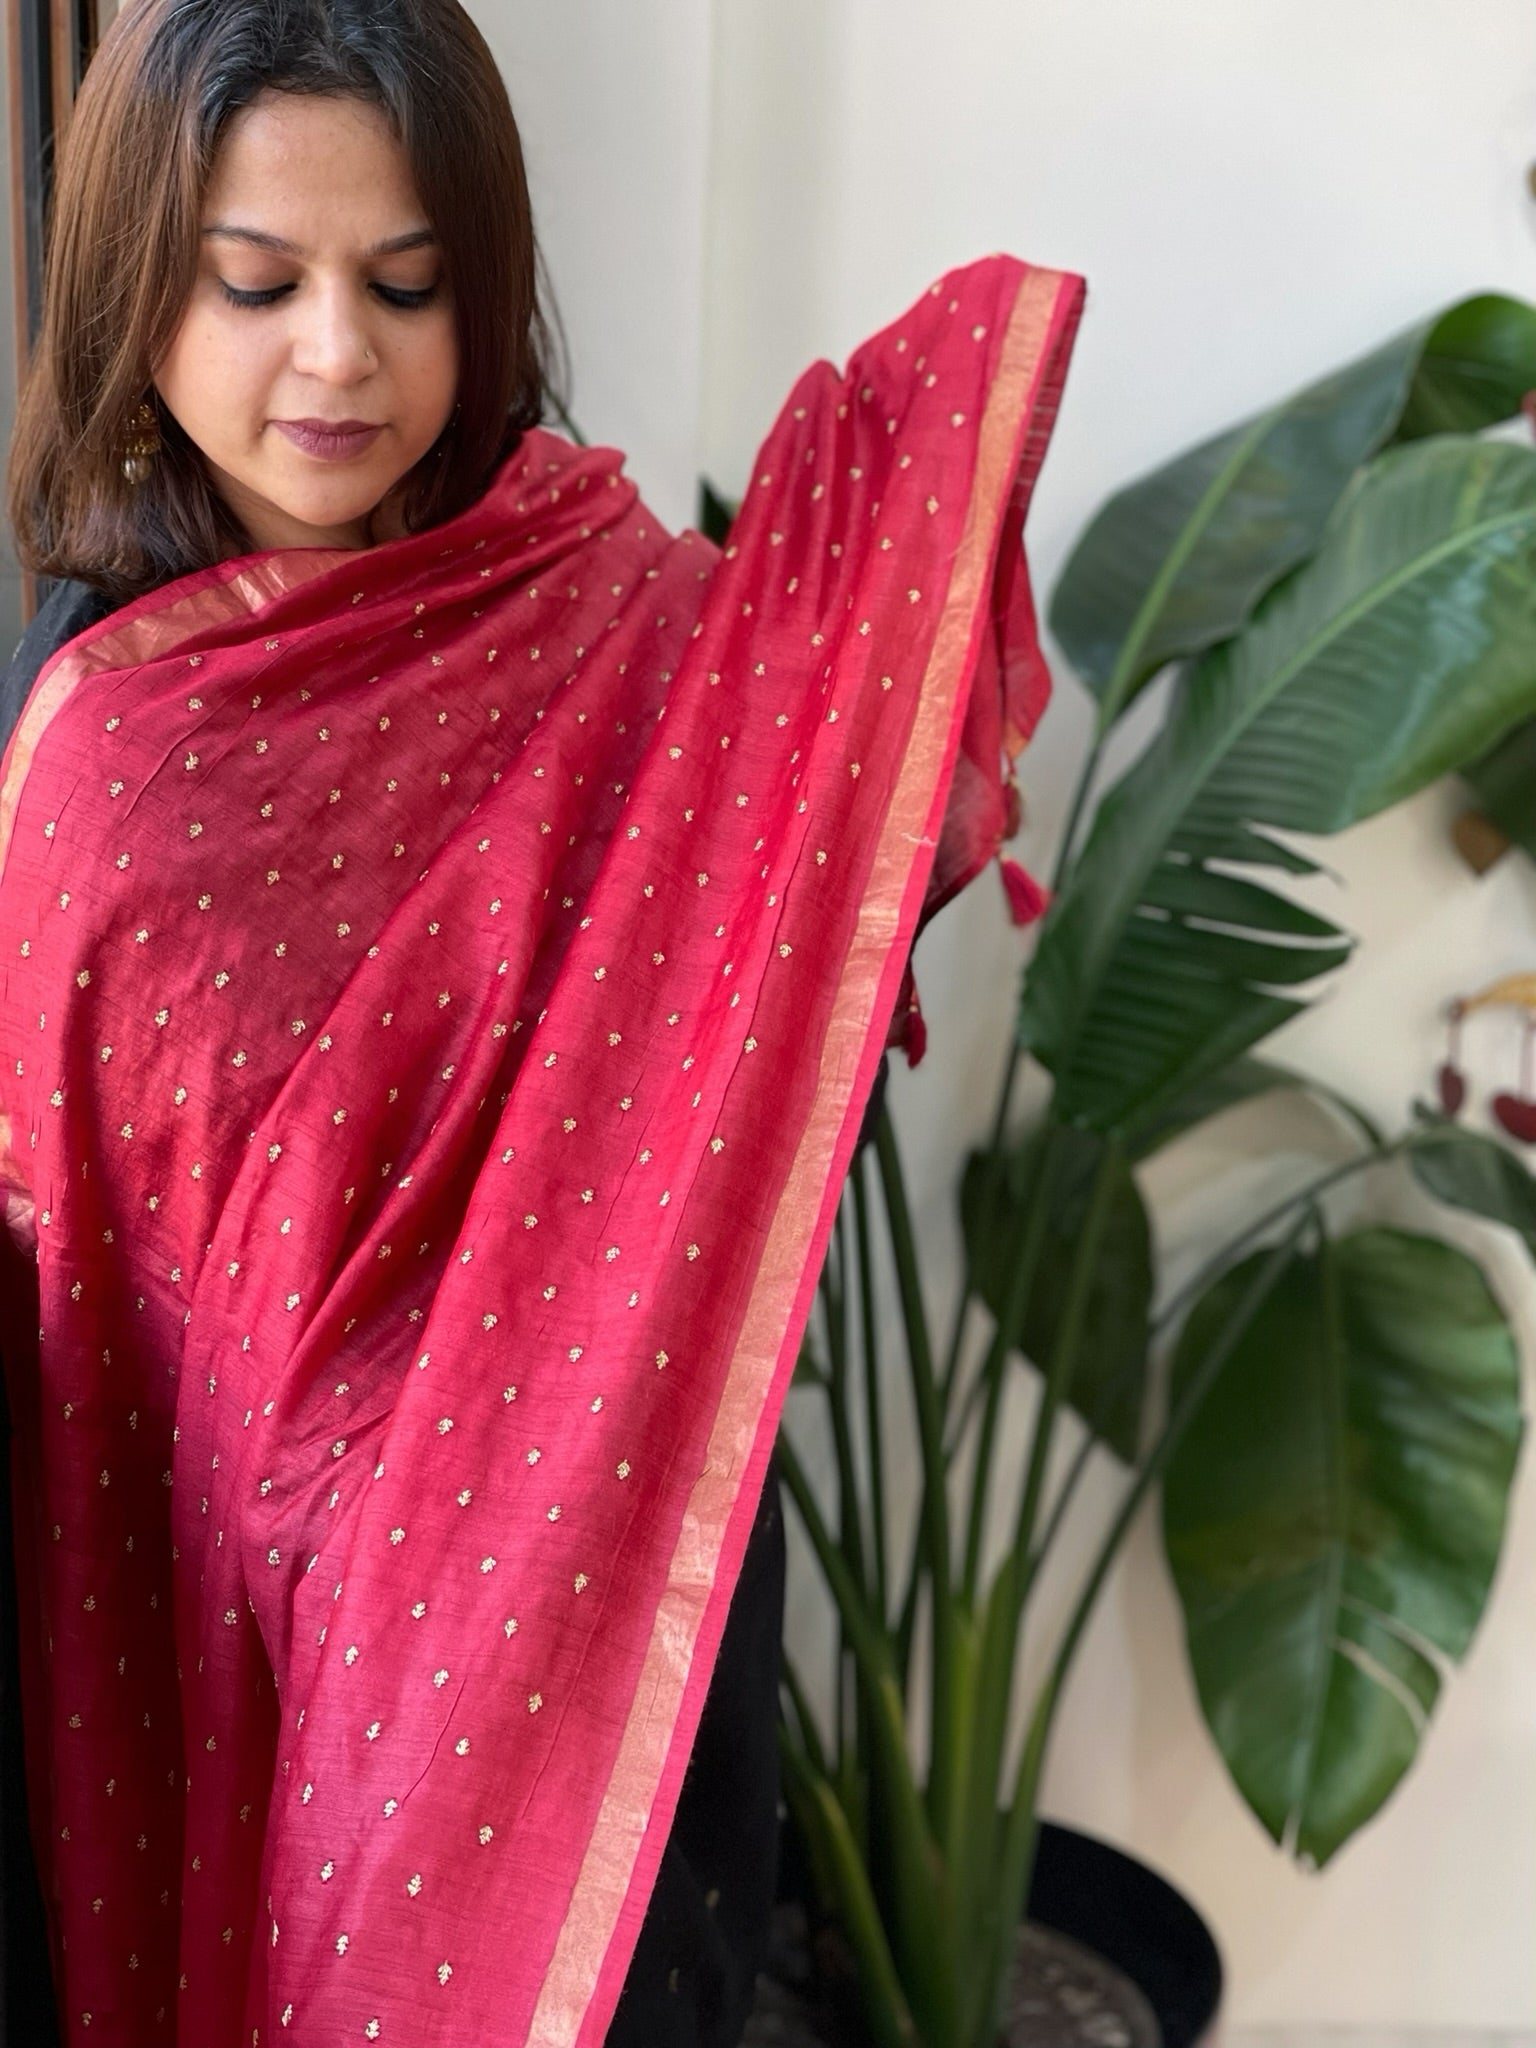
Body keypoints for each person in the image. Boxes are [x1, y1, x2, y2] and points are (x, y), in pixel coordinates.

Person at [0, 3, 1082, 2044]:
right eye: (258, 284)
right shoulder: (99, 747)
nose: (338, 355)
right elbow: (94, 1299)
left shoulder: (620, 612)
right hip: (254, 1614)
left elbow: (767, 1011)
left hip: (605, 1554)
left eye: (409, 286)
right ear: (139, 286)